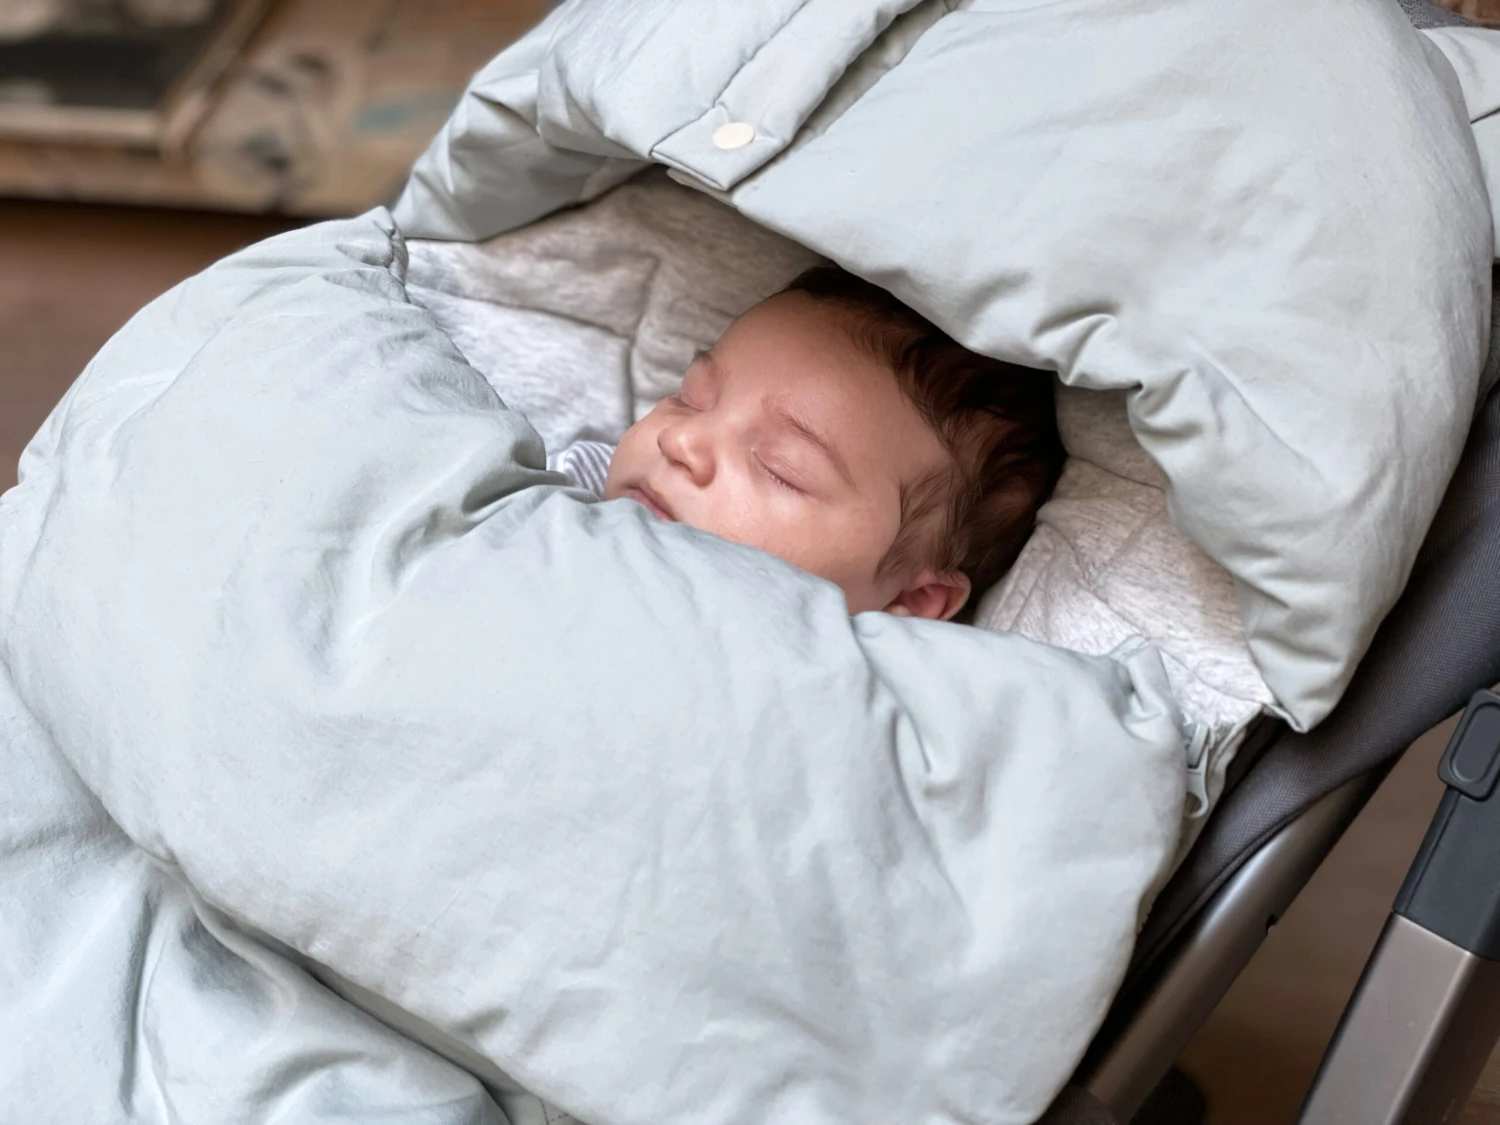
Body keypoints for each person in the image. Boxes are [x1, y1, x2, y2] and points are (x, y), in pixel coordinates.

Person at [548, 266, 1065, 621]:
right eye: (690, 398)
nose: (679, 439)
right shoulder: (554, 492)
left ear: (912, 600)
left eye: (779, 468)